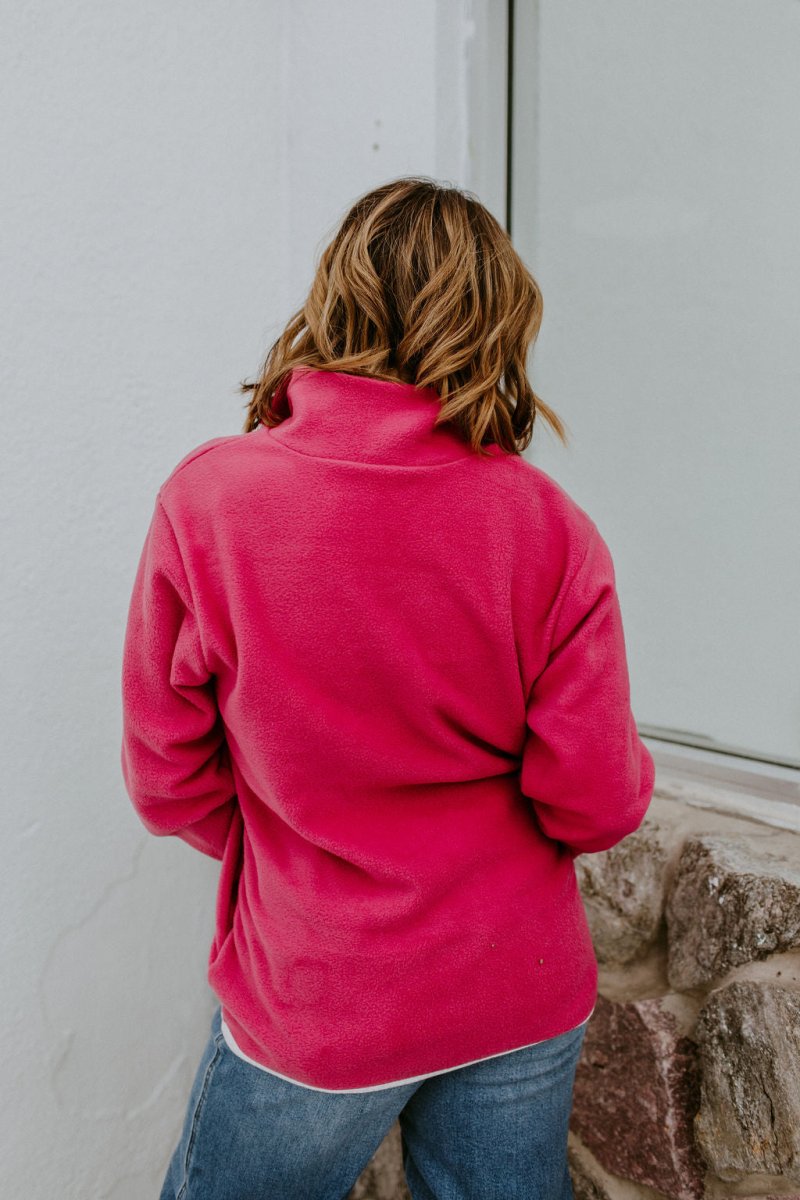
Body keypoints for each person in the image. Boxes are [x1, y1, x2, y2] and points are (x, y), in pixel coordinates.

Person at [120, 176, 655, 1200]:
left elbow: (166, 781)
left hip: (320, 987)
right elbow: (594, 803)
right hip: (515, 981)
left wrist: (295, 861)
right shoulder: (547, 526)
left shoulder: (211, 502)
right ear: (497, 321)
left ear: (335, 298)